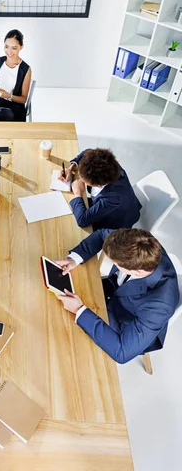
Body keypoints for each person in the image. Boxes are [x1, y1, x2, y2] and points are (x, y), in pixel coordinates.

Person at [54, 228, 179, 364]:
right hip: (117, 291)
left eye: (115, 264)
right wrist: (74, 259)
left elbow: (122, 352)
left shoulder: (160, 307)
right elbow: (103, 234)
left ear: (138, 271)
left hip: (126, 322)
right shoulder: (141, 243)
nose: (112, 263)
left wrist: (79, 310)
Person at [59, 148, 141, 230]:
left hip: (114, 223)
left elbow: (82, 220)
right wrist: (71, 168)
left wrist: (78, 193)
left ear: (97, 185)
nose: (79, 178)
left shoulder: (111, 198)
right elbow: (87, 152)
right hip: (117, 204)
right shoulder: (109, 164)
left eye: (83, 180)